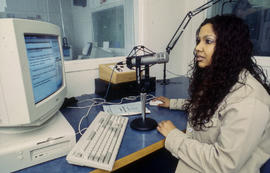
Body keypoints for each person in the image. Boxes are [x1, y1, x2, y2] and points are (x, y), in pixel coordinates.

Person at [155, 15, 270, 173]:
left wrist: (174, 136)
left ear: (230, 47)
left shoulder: (249, 101)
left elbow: (223, 164)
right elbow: (208, 105)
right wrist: (173, 103)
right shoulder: (224, 78)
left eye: (208, 41)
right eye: (198, 41)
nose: (197, 48)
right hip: (195, 160)